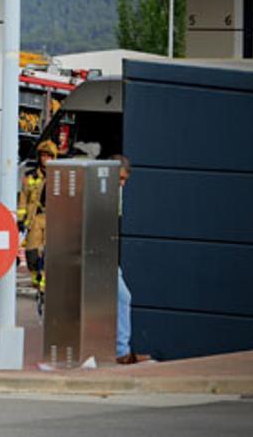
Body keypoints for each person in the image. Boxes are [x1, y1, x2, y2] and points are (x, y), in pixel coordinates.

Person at [112, 154, 152, 365]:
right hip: (100, 259)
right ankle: (121, 351)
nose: (122, 184)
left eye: (125, 180)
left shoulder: (114, 196)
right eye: (120, 178)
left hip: (106, 258)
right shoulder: (98, 194)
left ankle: (119, 349)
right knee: (123, 297)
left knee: (120, 298)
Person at [20, 140, 59, 299]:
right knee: (32, 254)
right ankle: (37, 282)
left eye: (49, 156)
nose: (45, 159)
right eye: (43, 155)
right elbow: (23, 198)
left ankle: (45, 288)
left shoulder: (59, 176)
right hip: (35, 219)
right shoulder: (31, 176)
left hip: (53, 219)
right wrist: (21, 219)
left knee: (49, 254)